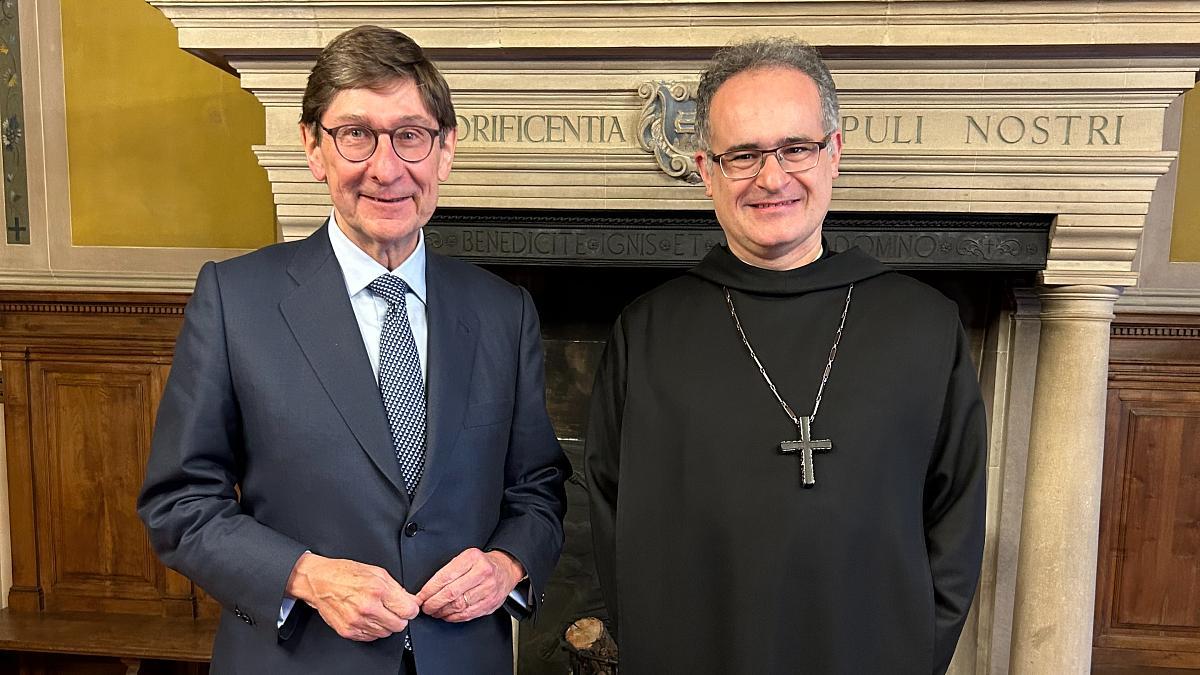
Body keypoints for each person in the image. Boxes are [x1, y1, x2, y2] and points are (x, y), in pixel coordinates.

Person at [138, 25, 569, 674]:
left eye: (410, 135)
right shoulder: (235, 301)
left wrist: (506, 563)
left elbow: (538, 490)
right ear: (314, 147)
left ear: (445, 151)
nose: (386, 167)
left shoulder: (503, 313)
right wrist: (305, 574)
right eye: (356, 134)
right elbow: (178, 503)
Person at [585, 38, 986, 675]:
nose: (772, 178)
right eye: (742, 154)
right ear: (706, 169)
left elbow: (956, 524)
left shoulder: (923, 326)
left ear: (834, 153)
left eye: (795, 147)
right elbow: (608, 511)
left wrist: (909, 654)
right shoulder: (649, 329)